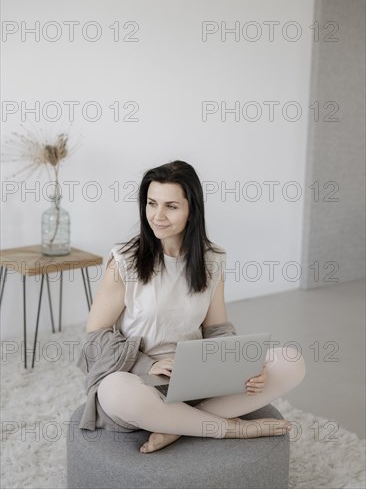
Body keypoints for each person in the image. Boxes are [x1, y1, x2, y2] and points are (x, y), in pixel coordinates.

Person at [86, 160, 306, 453]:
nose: (157, 216)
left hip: (196, 382)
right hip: (138, 379)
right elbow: (95, 338)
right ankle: (228, 428)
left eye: (171, 206)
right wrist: (148, 364)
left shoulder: (211, 259)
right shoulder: (124, 261)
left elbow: (217, 330)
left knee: (291, 362)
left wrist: (245, 367)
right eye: (152, 203)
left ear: (192, 211)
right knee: (114, 391)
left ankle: (177, 425)